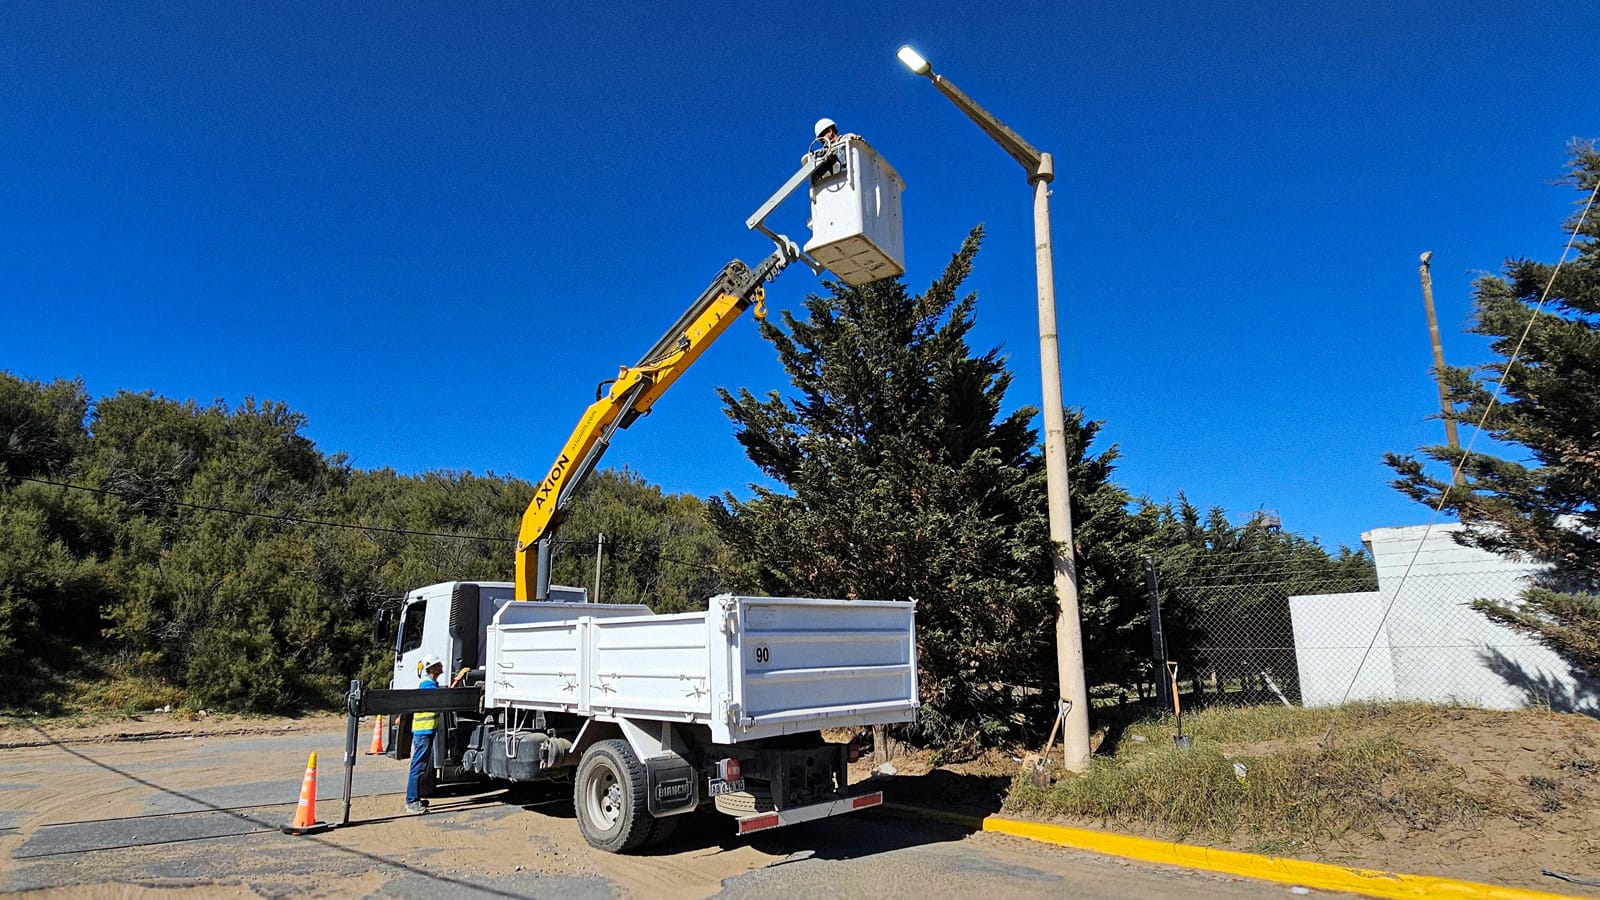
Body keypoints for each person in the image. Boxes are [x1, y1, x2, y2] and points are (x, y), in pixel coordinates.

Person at [404, 654, 444, 814]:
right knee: (418, 766)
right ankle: (412, 801)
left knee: (420, 765)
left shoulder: (429, 683)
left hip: (426, 731)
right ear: (432, 668)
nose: (441, 666)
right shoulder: (428, 685)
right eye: (438, 665)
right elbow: (442, 700)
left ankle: (415, 797)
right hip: (423, 731)